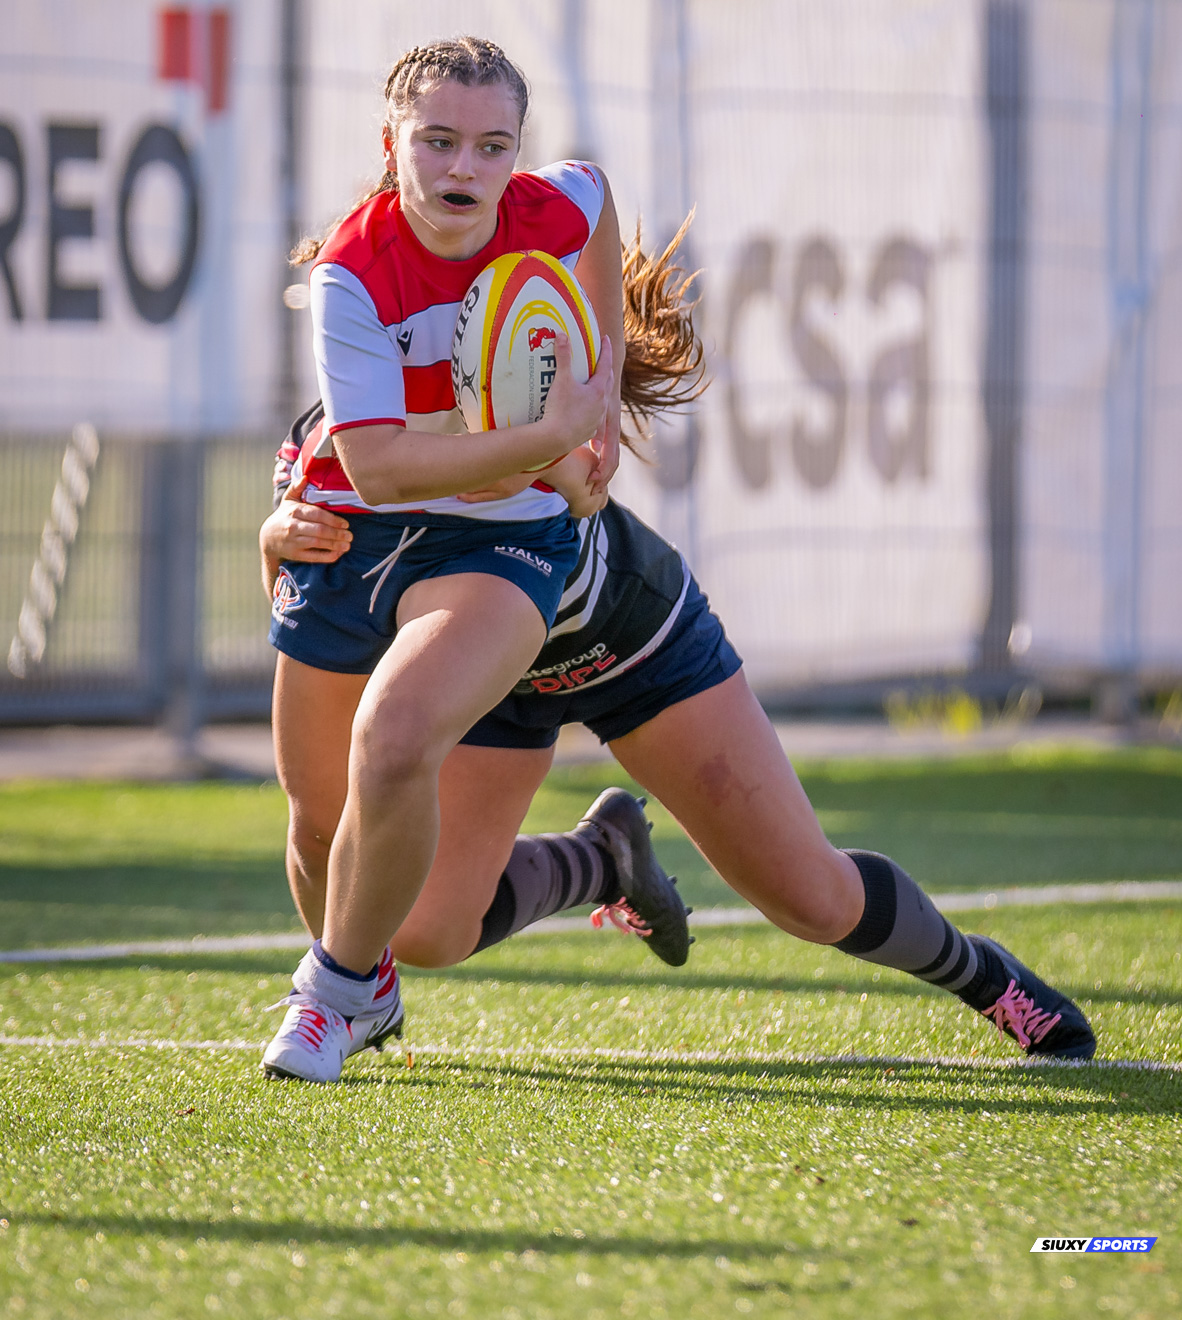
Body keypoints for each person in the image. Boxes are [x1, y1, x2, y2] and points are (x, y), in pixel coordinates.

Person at [261, 230, 1096, 1080]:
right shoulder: (346, 433)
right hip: (489, 675)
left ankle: (982, 976)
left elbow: (557, 469)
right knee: (423, 930)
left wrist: (557, 451)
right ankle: (602, 859)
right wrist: (274, 536)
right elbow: (311, 570)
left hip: (621, 636)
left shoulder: (518, 394)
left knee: (810, 897)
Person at [260, 36, 624, 1082]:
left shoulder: (546, 208)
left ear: (516, 152)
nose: (465, 167)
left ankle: (329, 997)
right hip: (352, 527)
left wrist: (598, 382)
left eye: (491, 146)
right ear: (392, 144)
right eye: (437, 141)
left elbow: (597, 200)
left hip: (503, 538)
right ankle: (367, 986)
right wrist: (550, 438)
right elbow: (378, 471)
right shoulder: (350, 272)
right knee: (318, 824)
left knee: (393, 739)